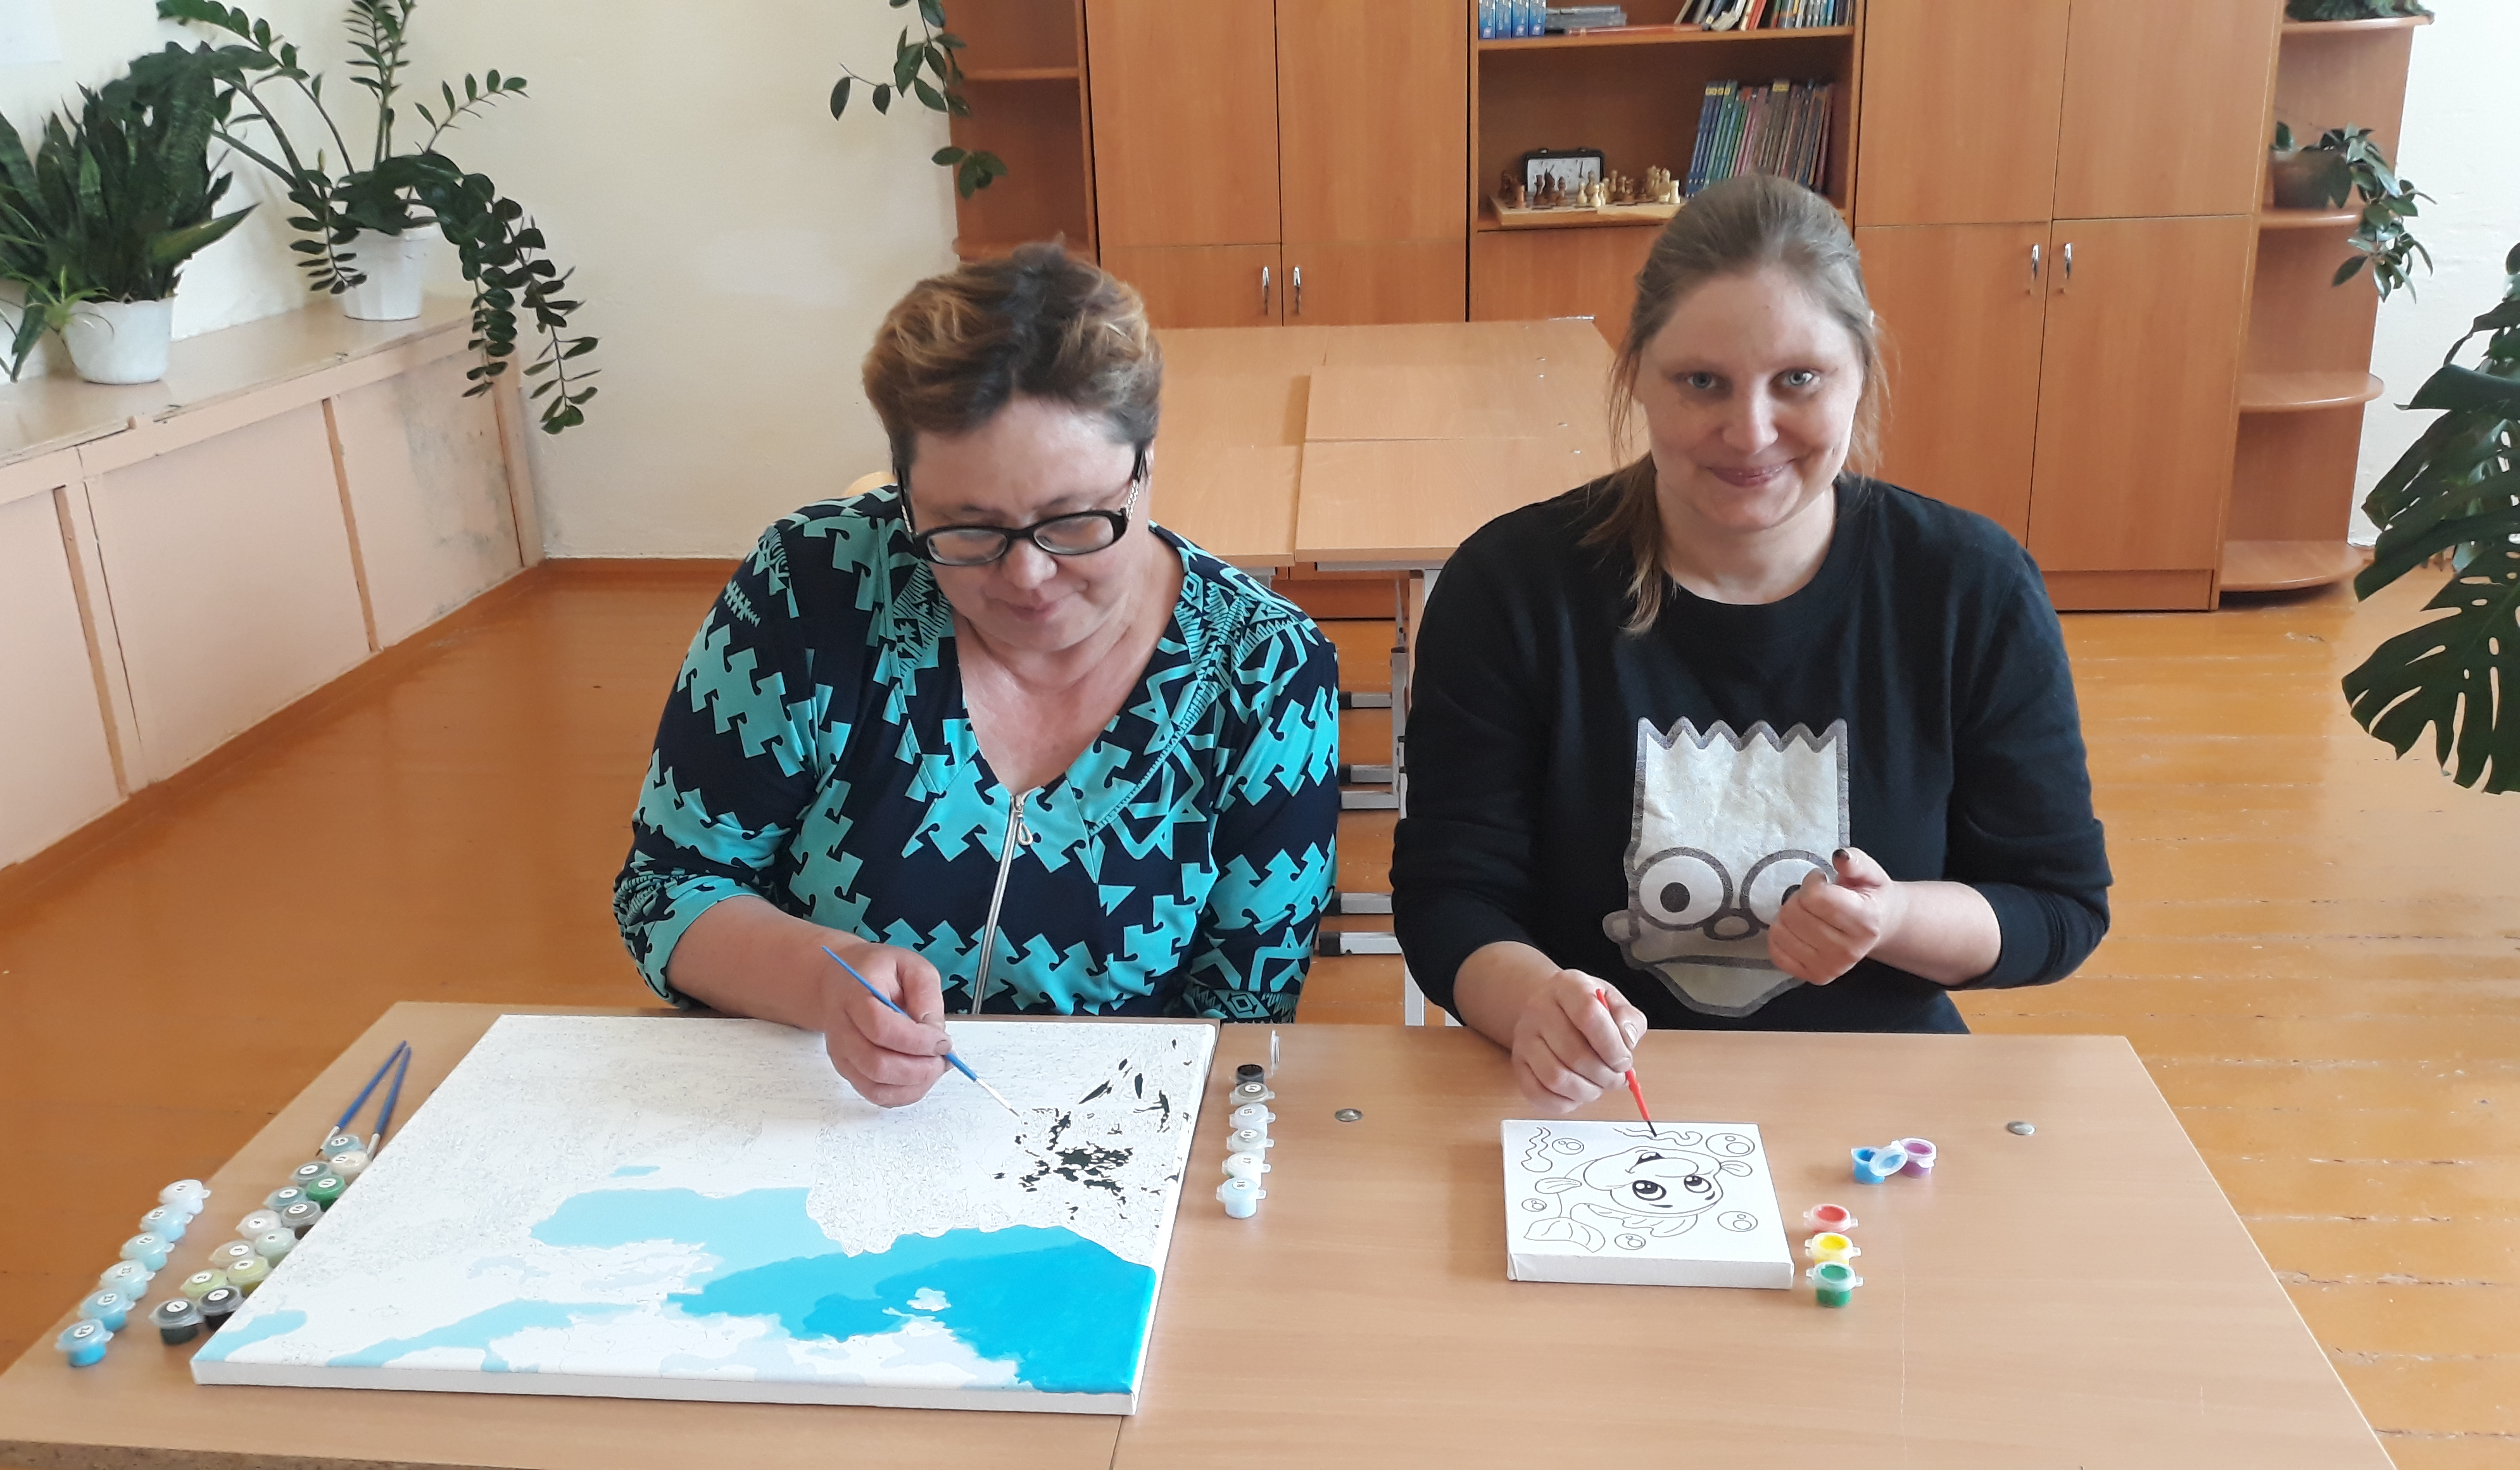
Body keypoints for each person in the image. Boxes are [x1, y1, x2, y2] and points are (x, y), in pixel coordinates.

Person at [1390, 175, 2110, 1112]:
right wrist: (1535, 1004)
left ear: (1860, 367)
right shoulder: (1512, 587)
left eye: (1799, 379)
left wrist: (1893, 916)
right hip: (1595, 1108)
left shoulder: (1970, 587)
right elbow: (1449, 896)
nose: (1751, 431)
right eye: (1703, 382)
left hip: (1871, 1105)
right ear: (1637, 372)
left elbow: (2057, 904)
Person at [614, 244, 1340, 1106]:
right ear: (905, 493)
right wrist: (822, 977)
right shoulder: (811, 593)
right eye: (966, 529)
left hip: (1109, 1128)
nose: (1028, 576)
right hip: (816, 1109)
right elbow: (669, 888)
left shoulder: (1264, 675)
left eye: (1074, 520)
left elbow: (1244, 1020)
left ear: (1146, 464)